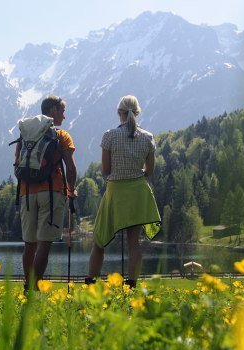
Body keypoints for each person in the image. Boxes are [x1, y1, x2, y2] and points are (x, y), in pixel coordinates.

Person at [86, 95, 161, 287]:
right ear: (137, 113)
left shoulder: (109, 136)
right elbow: (149, 171)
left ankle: (91, 282)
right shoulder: (148, 138)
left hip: (115, 192)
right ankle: (132, 283)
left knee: (99, 240)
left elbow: (106, 170)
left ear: (119, 113)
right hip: (137, 192)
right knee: (134, 242)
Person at [17, 95, 77, 290]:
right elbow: (70, 166)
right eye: (62, 111)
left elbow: (18, 165)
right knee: (44, 242)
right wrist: (71, 189)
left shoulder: (25, 135)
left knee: (29, 243)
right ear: (52, 111)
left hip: (26, 194)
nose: (64, 116)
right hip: (52, 193)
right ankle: (34, 288)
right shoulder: (61, 136)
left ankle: (28, 287)